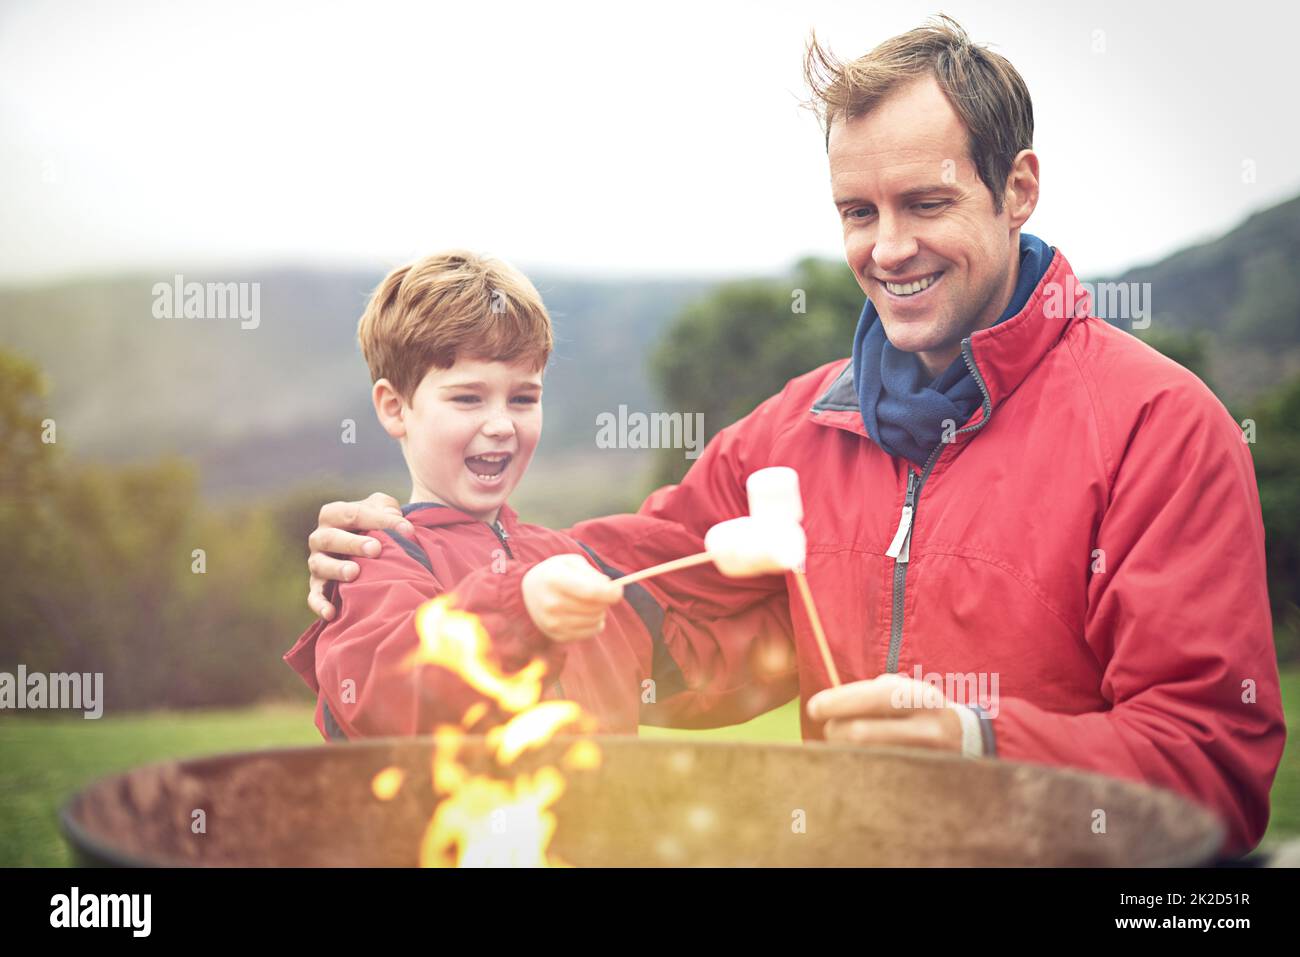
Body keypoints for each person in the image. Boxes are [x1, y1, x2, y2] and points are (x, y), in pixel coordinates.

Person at [302, 19, 1285, 855]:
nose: (887, 248)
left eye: (926, 202)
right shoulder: (794, 432)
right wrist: (410, 560)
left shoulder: (1162, 428)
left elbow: (1216, 767)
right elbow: (629, 597)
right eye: (858, 212)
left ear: (1017, 188)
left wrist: (977, 743)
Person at [283, 250, 798, 740]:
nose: (502, 424)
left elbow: (704, 669)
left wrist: (844, 607)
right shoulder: (377, 561)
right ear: (395, 408)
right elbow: (388, 698)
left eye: (524, 398)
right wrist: (518, 613)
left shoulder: (576, 564)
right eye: (467, 398)